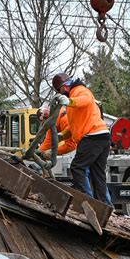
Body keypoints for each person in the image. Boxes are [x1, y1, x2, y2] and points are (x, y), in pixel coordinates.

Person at [51, 72, 112, 205]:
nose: (61, 93)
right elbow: (76, 128)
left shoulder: (80, 91)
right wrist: (62, 135)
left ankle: (87, 202)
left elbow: (86, 100)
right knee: (98, 174)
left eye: (60, 91)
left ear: (63, 88)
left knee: (77, 167)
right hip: (101, 136)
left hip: (92, 137)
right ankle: (105, 207)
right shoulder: (72, 103)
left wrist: (69, 101)